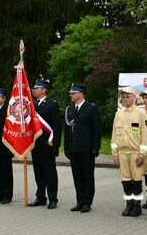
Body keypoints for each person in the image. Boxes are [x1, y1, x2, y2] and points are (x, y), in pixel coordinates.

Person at [111, 87, 147, 217]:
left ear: (134, 98)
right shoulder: (119, 113)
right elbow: (114, 135)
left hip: (135, 152)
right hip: (122, 152)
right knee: (125, 180)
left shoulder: (141, 113)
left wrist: (142, 154)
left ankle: (137, 206)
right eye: (123, 97)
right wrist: (114, 153)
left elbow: (145, 135)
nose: (125, 99)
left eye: (128, 96)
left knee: (137, 179)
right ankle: (129, 204)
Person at [65, 84, 102, 213]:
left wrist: (95, 147)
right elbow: (67, 130)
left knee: (87, 175)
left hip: (86, 149)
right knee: (77, 176)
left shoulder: (91, 108)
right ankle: (79, 201)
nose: (71, 95)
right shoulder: (69, 109)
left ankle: (87, 202)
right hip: (74, 148)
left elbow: (96, 130)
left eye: (73, 93)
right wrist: (66, 147)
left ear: (80, 94)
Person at [29, 79, 62, 209]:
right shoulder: (33, 105)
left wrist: (55, 145)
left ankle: (53, 198)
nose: (34, 90)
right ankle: (40, 197)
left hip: (47, 144)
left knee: (50, 172)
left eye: (36, 88)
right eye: (33, 88)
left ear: (44, 90)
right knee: (38, 172)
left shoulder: (52, 104)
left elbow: (57, 126)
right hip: (35, 144)